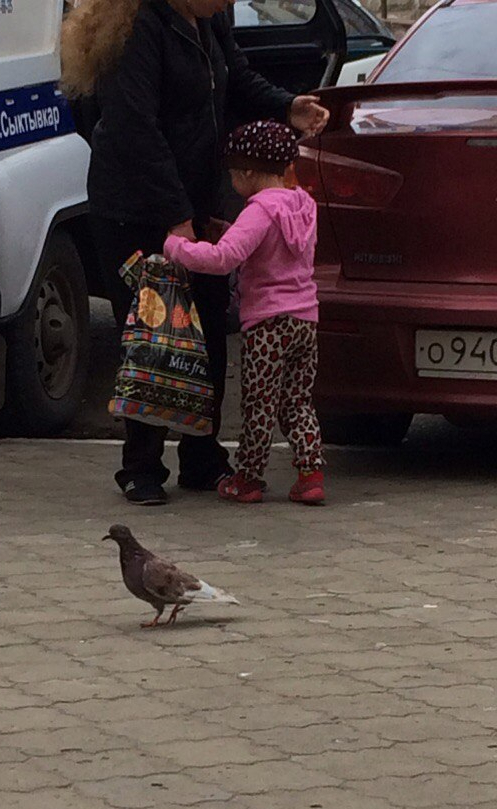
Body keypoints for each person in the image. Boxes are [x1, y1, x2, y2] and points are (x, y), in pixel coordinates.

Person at [61, 0, 329, 506]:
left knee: (208, 329)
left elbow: (238, 81)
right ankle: (141, 467)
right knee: (154, 337)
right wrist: (175, 213)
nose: (228, 3)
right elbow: (134, 127)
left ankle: (203, 456)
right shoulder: (137, 29)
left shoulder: (208, 20)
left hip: (197, 203)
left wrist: (286, 106)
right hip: (136, 211)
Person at [164, 120, 325, 505]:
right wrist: (231, 228)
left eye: (235, 175)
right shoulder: (303, 204)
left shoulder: (260, 210)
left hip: (268, 324)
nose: (233, 184)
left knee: (259, 402)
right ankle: (311, 473)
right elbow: (275, 250)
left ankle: (249, 477)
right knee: (297, 401)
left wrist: (175, 248)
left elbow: (224, 258)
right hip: (306, 318)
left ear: (249, 171)